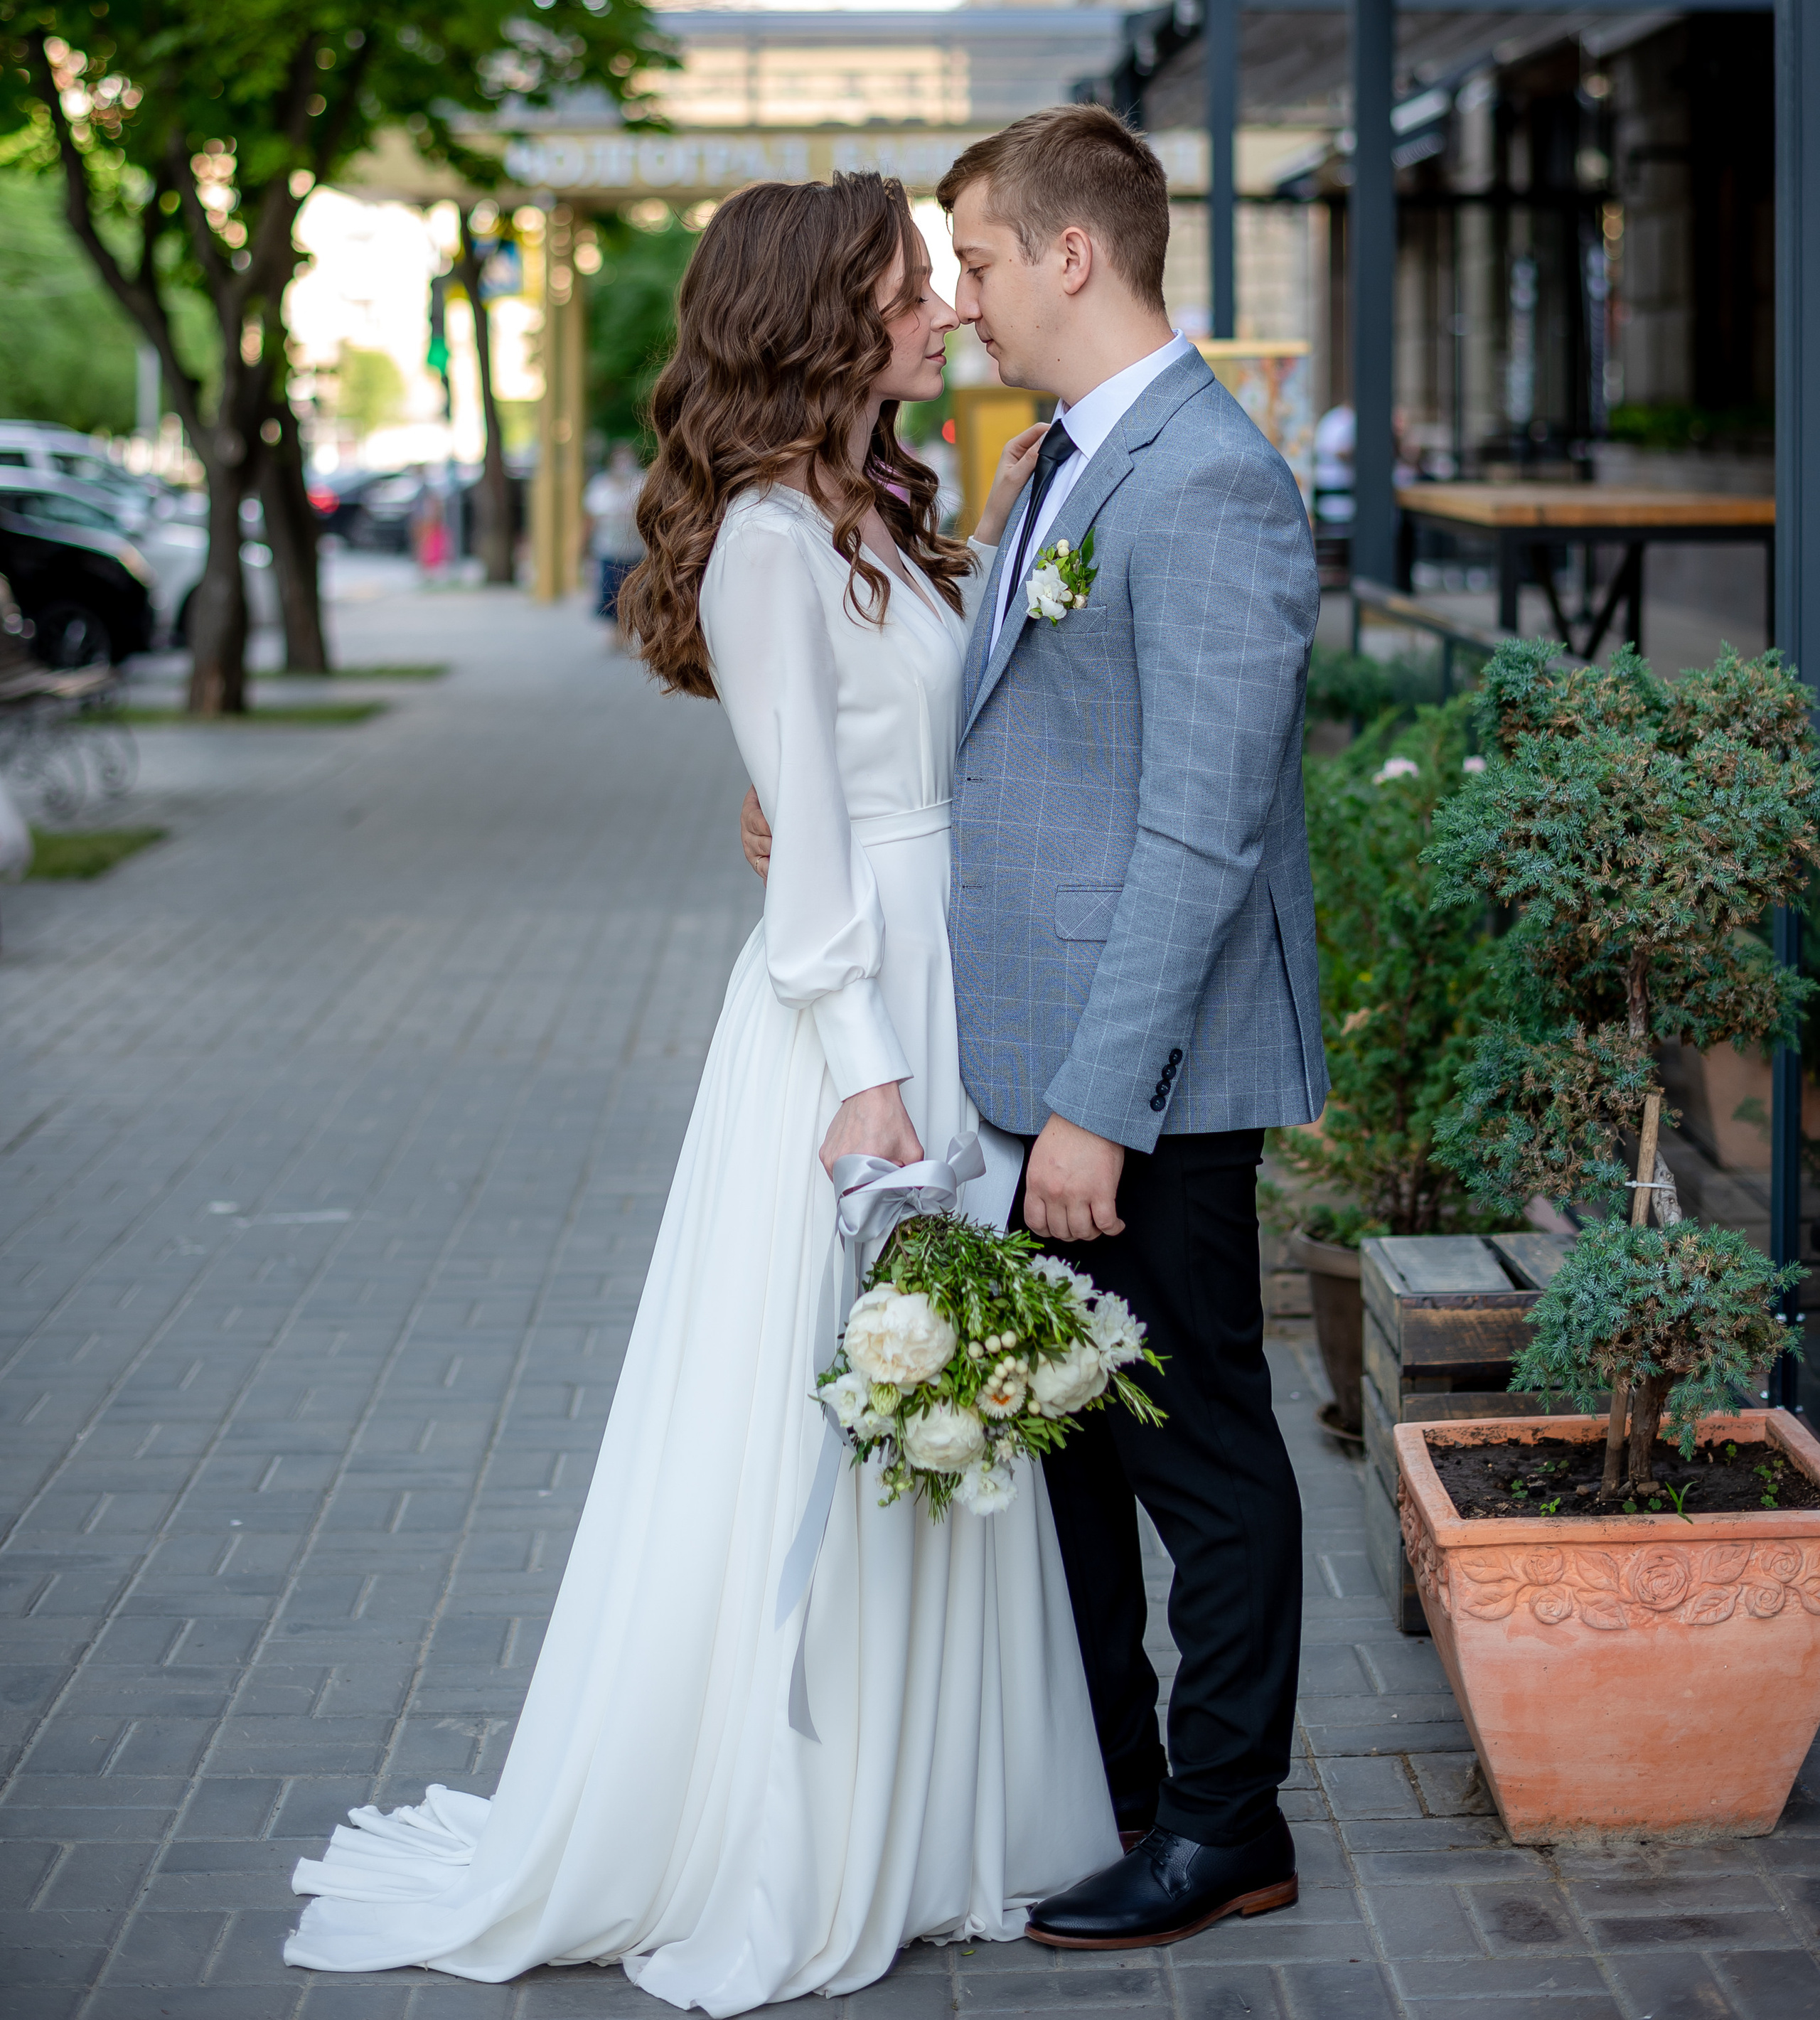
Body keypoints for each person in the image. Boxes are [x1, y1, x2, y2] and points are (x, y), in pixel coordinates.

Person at [284, 171, 1117, 2006]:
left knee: (939, 1419)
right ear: (830, 314)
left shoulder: (875, 516)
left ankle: (939, 1814)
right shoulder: (759, 542)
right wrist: (873, 1083)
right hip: (856, 1041)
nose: (941, 311)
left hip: (943, 983)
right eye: (912, 287)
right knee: (841, 1413)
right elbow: (811, 860)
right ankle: (803, 1823)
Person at [742, 105, 1324, 1949]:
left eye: (978, 260)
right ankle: (1123, 1797)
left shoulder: (1208, 480)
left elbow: (1199, 828)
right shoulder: (1051, 467)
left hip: (1135, 1074)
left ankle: (1228, 1825)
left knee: (1196, 1447)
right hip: (1031, 1066)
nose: (963, 299)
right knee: (1067, 1442)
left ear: (1074, 254)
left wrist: (1097, 1105)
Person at [584, 439, 646, 649]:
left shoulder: (641, 481)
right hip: (609, 548)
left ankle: (628, 631)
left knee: (633, 592)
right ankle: (614, 632)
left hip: (636, 550)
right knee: (610, 591)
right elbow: (592, 515)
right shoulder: (601, 484)